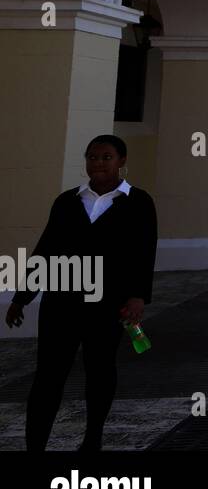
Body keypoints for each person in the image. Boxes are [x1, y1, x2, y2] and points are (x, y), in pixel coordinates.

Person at [5, 135, 158, 451]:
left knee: (100, 370)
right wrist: (22, 297)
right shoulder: (67, 201)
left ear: (121, 161)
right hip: (62, 301)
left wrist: (137, 296)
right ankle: (35, 444)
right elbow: (45, 250)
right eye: (92, 157)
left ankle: (93, 438)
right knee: (48, 375)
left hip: (107, 303)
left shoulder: (138, 202)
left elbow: (143, 251)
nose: (97, 163)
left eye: (106, 157)